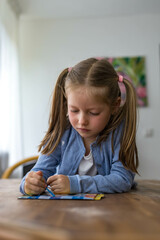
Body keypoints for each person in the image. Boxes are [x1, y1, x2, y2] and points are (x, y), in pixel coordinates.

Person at [20, 57, 139, 196]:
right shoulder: (62, 131)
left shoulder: (119, 133)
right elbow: (41, 170)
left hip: (108, 211)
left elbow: (122, 179)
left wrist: (75, 184)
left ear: (114, 106)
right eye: (74, 111)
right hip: (63, 213)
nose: (82, 121)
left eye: (93, 113)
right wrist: (28, 184)